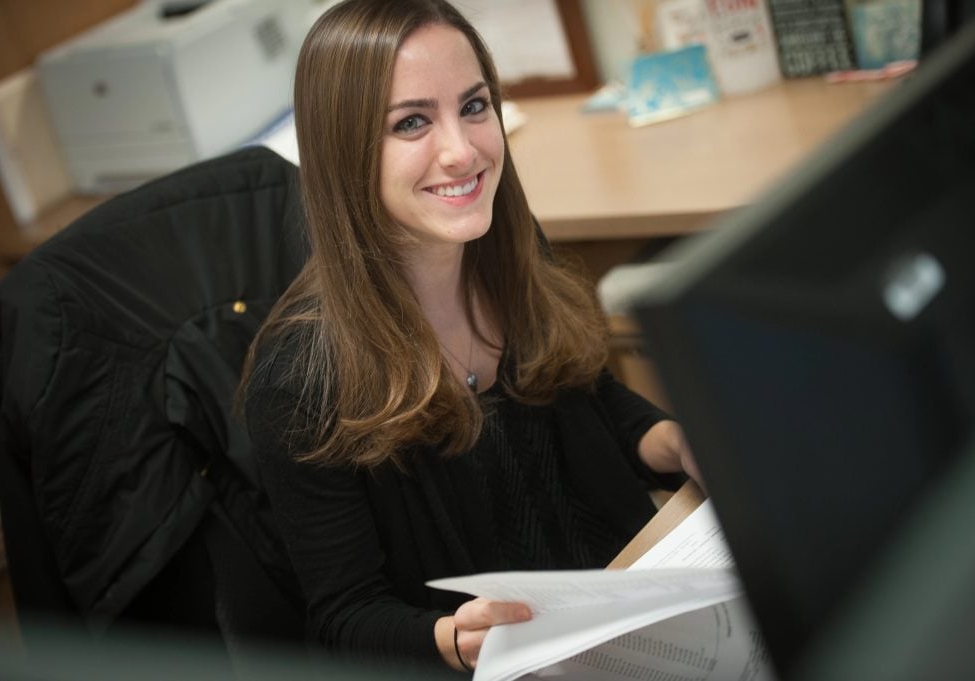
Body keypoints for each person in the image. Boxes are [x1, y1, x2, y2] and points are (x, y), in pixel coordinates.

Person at [241, 0, 701, 674]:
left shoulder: (506, 252)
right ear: (343, 148)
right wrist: (453, 639)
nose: (462, 151)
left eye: (475, 106)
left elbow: (591, 400)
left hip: (630, 623)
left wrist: (674, 443)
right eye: (412, 122)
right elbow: (346, 618)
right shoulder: (300, 382)